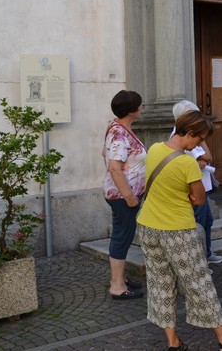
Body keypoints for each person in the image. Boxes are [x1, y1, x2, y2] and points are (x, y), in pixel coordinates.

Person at [138, 110, 222, 351]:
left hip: (148, 226)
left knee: (160, 283)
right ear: (189, 133)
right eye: (199, 139)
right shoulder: (186, 163)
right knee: (199, 283)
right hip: (178, 231)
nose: (200, 144)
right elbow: (200, 199)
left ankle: (173, 342)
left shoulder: (154, 149)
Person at [102, 90, 146, 300]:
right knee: (122, 236)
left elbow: (105, 153)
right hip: (122, 196)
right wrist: (129, 196)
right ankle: (117, 286)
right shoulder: (120, 134)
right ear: (131, 111)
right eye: (140, 104)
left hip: (121, 194)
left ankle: (119, 278)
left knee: (124, 235)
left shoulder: (119, 128)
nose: (142, 106)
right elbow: (114, 167)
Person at [170, 100, 222, 269]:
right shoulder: (179, 138)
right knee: (198, 223)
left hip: (203, 185)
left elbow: (207, 157)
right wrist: (201, 156)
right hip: (195, 186)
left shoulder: (195, 137)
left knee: (206, 221)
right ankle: (198, 262)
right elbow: (202, 158)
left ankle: (206, 253)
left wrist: (201, 139)